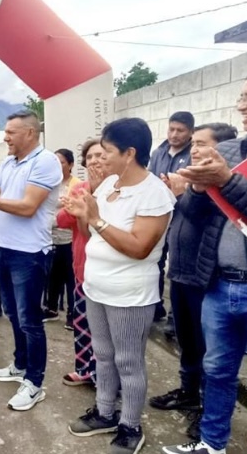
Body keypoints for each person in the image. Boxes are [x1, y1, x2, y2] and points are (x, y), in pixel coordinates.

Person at [163, 65, 247, 454]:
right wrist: (196, 188)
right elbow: (195, 212)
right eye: (240, 97)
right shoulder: (228, 150)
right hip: (219, 284)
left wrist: (226, 180)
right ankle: (212, 443)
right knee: (217, 371)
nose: (241, 106)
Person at [64, 118, 176, 454]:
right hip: (96, 288)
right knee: (103, 355)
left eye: (108, 151)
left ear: (129, 153)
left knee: (128, 361)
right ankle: (104, 412)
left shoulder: (155, 193)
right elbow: (89, 235)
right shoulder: (109, 184)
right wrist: (84, 213)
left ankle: (130, 426)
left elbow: (140, 247)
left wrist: (97, 217)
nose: (101, 158)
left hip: (130, 295)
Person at [0, 110, 63, 410]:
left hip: (30, 253)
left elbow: (27, 207)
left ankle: (35, 382)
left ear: (30, 134)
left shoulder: (45, 161)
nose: (5, 137)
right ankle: (20, 365)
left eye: (11, 132)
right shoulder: (9, 162)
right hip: (4, 248)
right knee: (11, 313)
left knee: (30, 320)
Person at [149, 124, 238, 441]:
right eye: (194, 144)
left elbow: (201, 215)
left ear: (223, 149)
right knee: (187, 341)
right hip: (182, 274)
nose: (194, 149)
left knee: (207, 349)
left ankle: (206, 407)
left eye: (201, 143)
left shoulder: (223, 183)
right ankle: (188, 392)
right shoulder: (190, 179)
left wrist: (180, 193)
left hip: (206, 278)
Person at [56, 138, 106, 387]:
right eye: (91, 157)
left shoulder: (118, 189)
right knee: (82, 322)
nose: (95, 160)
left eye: (100, 155)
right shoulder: (79, 189)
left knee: (104, 330)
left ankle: (104, 378)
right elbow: (62, 220)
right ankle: (85, 369)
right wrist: (77, 208)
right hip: (82, 266)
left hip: (107, 271)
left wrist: (86, 209)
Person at [148, 111, 195, 326]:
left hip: (183, 217)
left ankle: (174, 320)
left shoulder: (194, 153)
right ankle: (155, 308)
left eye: (180, 130)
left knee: (176, 268)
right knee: (154, 262)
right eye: (171, 129)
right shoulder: (159, 152)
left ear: (190, 132)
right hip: (159, 216)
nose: (174, 134)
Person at [43, 148, 81, 325]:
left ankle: (72, 315)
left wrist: (52, 221)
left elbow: (73, 212)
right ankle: (51, 309)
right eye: (55, 162)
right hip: (50, 238)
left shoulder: (77, 185)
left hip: (70, 238)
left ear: (71, 164)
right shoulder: (49, 183)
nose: (58, 166)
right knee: (53, 276)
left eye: (62, 162)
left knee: (70, 278)